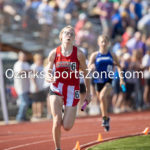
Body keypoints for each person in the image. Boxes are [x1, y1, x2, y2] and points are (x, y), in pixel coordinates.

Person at [45, 25, 91, 150]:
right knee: (56, 119)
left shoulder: (79, 54)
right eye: (66, 33)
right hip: (56, 88)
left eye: (71, 34)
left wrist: (88, 92)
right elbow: (48, 71)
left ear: (74, 38)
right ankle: (57, 148)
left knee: (66, 126)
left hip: (73, 89)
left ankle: (67, 110)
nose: (69, 35)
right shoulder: (54, 53)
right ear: (61, 37)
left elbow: (86, 73)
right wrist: (49, 77)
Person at [88, 35, 125, 131]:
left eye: (105, 41)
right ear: (98, 43)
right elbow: (88, 67)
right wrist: (91, 66)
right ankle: (106, 118)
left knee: (102, 97)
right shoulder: (94, 55)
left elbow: (119, 66)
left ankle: (105, 119)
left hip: (108, 80)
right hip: (97, 81)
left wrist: (121, 79)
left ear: (108, 43)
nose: (103, 43)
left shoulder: (112, 55)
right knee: (102, 101)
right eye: (102, 41)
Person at [13, 51, 30, 122]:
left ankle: (23, 116)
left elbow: (29, 72)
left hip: (26, 86)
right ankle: (19, 117)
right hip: (20, 87)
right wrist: (28, 71)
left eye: (24, 56)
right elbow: (20, 72)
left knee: (26, 102)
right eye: (22, 56)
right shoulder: (17, 64)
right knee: (24, 102)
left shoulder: (26, 64)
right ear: (19, 57)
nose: (24, 57)